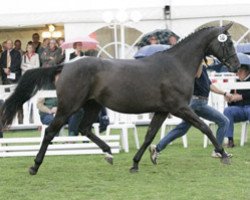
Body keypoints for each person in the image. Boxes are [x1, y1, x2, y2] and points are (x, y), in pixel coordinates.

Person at [149, 64, 233, 164]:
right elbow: (197, 74)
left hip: (197, 104)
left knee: (181, 130)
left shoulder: (203, 68)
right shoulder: (195, 66)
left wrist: (224, 93)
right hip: (198, 104)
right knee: (224, 121)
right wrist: (201, 58)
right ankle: (218, 150)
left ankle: (157, 149)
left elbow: (209, 85)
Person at [223, 64, 250, 148]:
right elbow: (232, 98)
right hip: (239, 109)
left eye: (240, 71)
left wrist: (241, 96)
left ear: (247, 71)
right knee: (227, 110)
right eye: (237, 71)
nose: (238, 73)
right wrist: (230, 99)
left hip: (249, 107)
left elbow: (242, 96)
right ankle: (230, 140)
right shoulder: (236, 82)